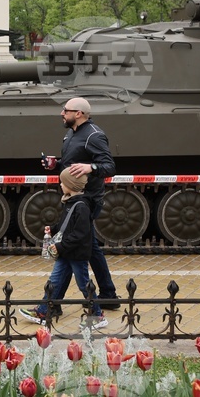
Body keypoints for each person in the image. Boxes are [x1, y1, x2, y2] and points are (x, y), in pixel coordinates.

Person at [41, 97, 119, 310]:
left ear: (79, 114)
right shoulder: (71, 133)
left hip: (87, 200)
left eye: (66, 110)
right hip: (74, 197)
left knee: (72, 247)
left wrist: (91, 168)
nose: (61, 113)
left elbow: (109, 167)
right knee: (89, 248)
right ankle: (108, 295)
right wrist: (56, 164)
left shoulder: (94, 135)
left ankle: (51, 303)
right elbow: (74, 163)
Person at [19, 168, 108, 329]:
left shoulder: (81, 206)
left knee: (84, 284)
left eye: (63, 182)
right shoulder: (70, 201)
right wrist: (53, 229)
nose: (60, 184)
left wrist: (60, 246)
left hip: (76, 253)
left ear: (71, 185)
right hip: (66, 251)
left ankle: (98, 315)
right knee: (54, 281)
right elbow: (66, 226)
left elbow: (80, 234)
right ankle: (44, 310)